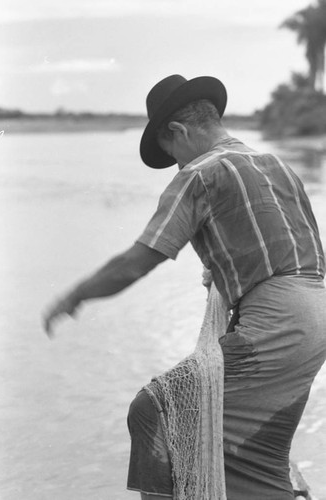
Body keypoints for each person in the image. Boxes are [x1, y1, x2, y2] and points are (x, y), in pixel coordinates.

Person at [43, 74, 326, 500]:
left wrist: (73, 295)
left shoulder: (199, 173)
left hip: (278, 322)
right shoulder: (277, 164)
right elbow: (300, 253)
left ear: (179, 131)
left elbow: (136, 262)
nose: (175, 162)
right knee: (255, 450)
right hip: (317, 320)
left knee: (154, 410)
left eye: (171, 151)